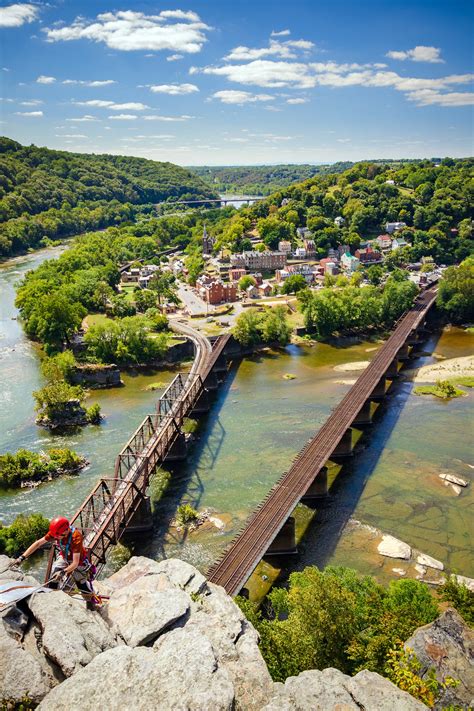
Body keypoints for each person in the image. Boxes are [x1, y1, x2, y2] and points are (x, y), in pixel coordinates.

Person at [14, 516, 96, 607]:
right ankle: (53, 597)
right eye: (55, 536)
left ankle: (90, 602)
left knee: (81, 583)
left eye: (58, 536)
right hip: (64, 556)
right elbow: (38, 544)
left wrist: (63, 572)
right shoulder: (56, 532)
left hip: (78, 561)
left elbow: (75, 563)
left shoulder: (76, 537)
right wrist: (22, 557)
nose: (56, 538)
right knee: (54, 576)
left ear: (66, 530)